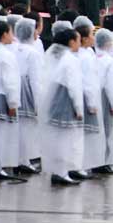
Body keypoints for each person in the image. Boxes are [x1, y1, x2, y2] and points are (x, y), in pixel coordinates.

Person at [40, 28, 84, 185]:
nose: (80, 43)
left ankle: (58, 171)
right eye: (78, 40)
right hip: (66, 101)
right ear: (71, 42)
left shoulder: (56, 57)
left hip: (55, 100)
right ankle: (61, 172)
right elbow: (74, 87)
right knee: (65, 139)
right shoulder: (70, 60)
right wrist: (79, 108)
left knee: (58, 138)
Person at [73, 16, 104, 177]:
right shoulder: (84, 56)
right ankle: (81, 165)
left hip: (86, 97)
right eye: (91, 34)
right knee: (84, 135)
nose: (94, 37)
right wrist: (92, 103)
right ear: (84, 39)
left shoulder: (86, 53)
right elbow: (88, 81)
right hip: (86, 98)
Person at [0, 21, 21, 176]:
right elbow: (10, 81)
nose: (13, 36)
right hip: (3, 96)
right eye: (11, 32)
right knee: (3, 134)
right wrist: (13, 102)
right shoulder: (5, 54)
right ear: (4, 35)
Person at [13, 18, 43, 173]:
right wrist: (38, 104)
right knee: (27, 128)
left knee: (18, 127)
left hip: (15, 90)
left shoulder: (14, 49)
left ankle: (19, 159)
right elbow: (36, 81)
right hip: (27, 92)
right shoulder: (33, 53)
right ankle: (24, 160)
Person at [94, 28, 113, 174]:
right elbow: (111, 85)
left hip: (94, 96)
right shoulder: (110, 61)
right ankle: (106, 162)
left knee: (97, 130)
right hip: (105, 98)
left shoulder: (93, 57)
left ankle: (95, 160)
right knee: (108, 131)